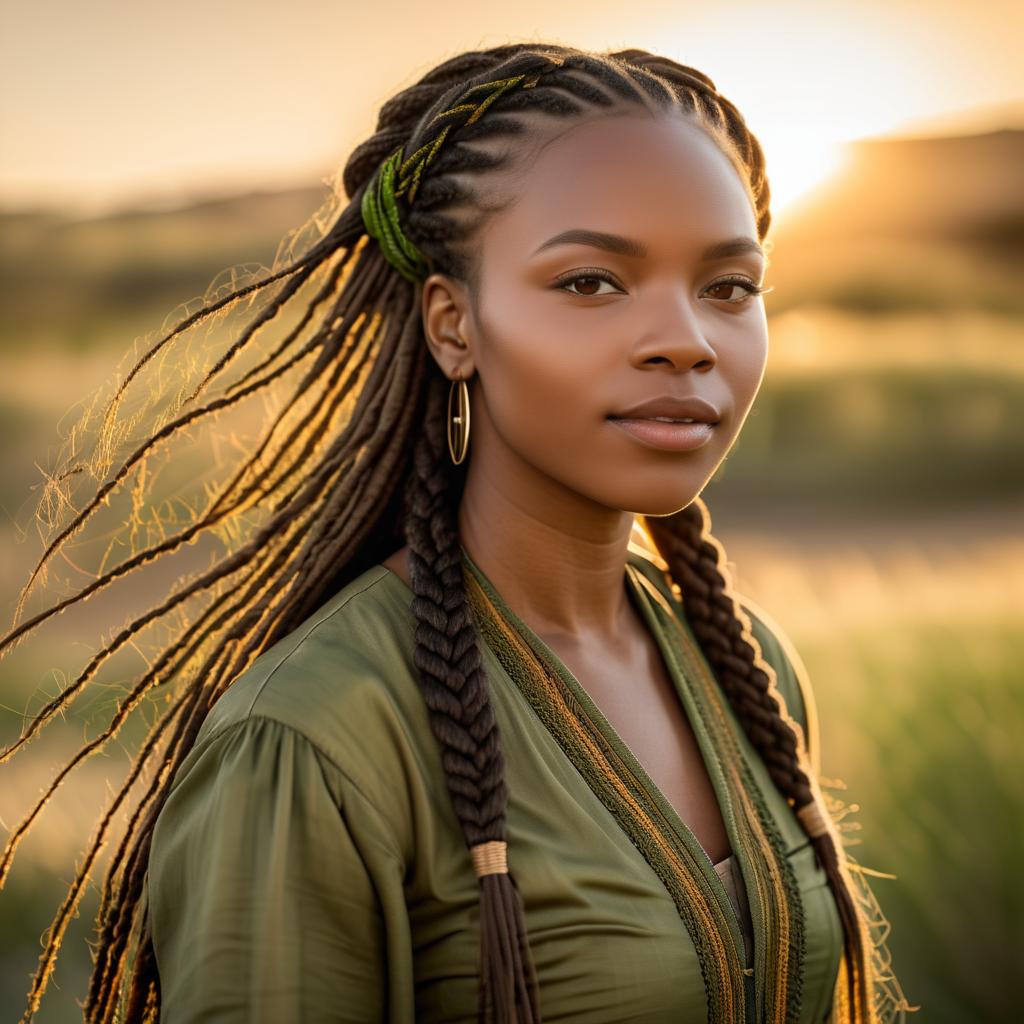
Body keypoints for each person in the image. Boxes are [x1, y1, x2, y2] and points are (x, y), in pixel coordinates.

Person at [0, 42, 913, 1024]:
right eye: (592, 281)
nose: (686, 338)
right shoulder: (317, 735)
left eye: (729, 287)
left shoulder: (744, 667)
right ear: (453, 324)